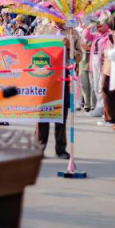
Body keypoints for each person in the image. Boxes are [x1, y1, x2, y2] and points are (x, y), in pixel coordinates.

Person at [35, 21, 81, 159]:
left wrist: (69, 46)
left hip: (63, 75)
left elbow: (79, 56)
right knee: (43, 113)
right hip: (45, 75)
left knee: (61, 113)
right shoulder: (43, 30)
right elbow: (33, 49)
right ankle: (38, 148)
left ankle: (61, 149)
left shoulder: (73, 33)